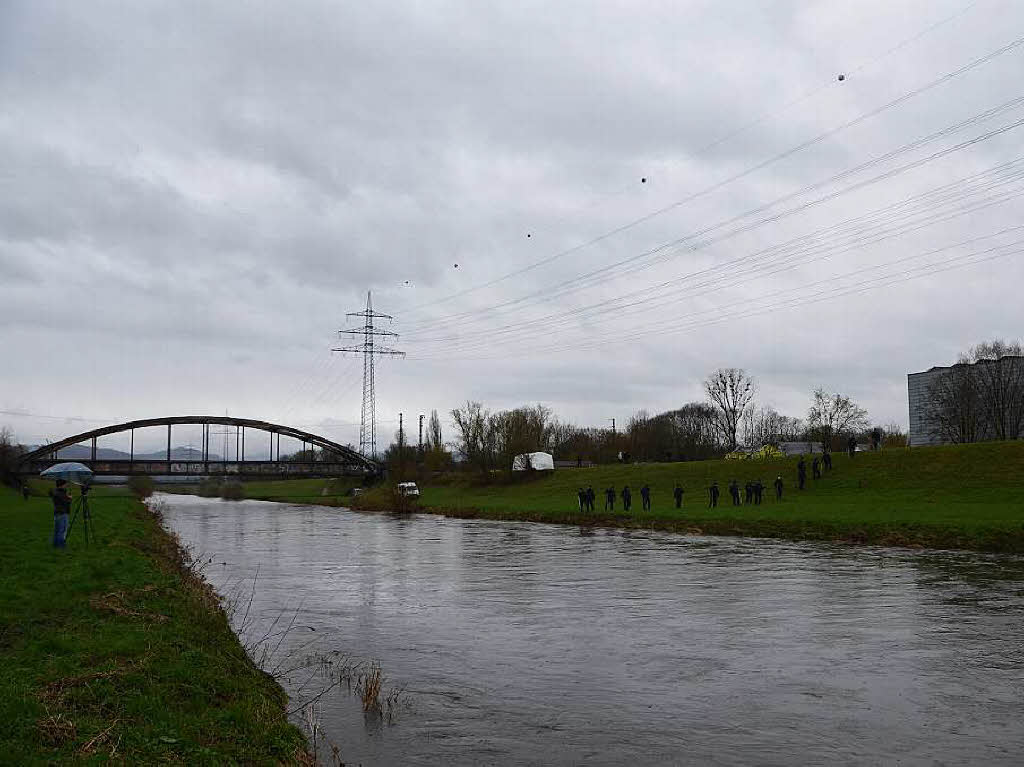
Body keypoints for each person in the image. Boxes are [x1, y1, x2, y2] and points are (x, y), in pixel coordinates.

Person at [49, 479, 71, 549]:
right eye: (65, 484)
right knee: (62, 529)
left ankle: (55, 544)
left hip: (57, 512)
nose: (66, 486)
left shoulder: (56, 492)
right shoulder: (60, 493)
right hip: (62, 512)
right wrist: (69, 498)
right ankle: (61, 545)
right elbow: (65, 503)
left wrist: (66, 496)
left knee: (57, 530)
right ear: (62, 485)